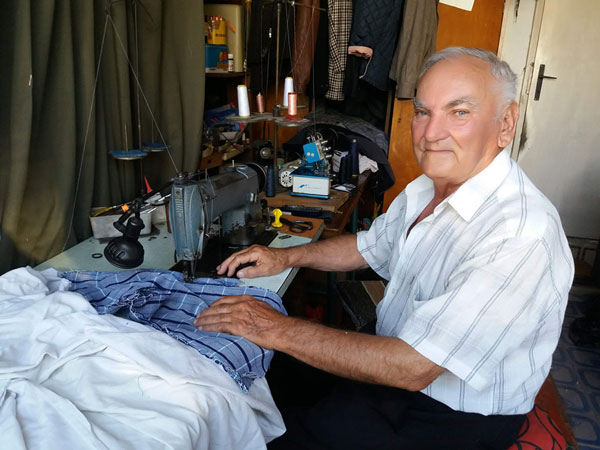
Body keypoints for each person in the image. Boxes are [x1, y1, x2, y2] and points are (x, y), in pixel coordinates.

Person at [194, 47, 574, 449]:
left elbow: (414, 368)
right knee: (259, 377)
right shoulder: (426, 188)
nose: (431, 134)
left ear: (506, 123)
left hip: (447, 413)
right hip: (394, 364)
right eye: (423, 112)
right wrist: (285, 256)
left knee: (270, 433)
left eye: (459, 112)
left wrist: (271, 326)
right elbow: (367, 246)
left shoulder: (519, 233)